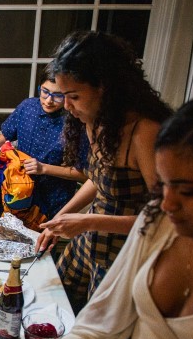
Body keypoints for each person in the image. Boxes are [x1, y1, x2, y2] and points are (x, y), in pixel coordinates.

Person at [17, 97, 193, 339]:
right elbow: (109, 303)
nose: (166, 204)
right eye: (161, 185)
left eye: (187, 191)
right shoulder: (157, 219)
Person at [35, 31, 172, 313]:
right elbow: (100, 181)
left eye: (73, 96)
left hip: (125, 254)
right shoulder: (95, 121)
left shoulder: (144, 132)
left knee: (96, 336)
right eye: (64, 96)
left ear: (105, 88)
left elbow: (163, 220)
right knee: (57, 311)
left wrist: (87, 222)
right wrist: (60, 218)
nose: (67, 106)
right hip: (90, 243)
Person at [0, 65, 89, 220]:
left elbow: (84, 174)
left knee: (44, 243)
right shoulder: (27, 107)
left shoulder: (76, 121)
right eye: (44, 91)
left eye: (58, 95)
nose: (49, 100)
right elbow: (7, 133)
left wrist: (44, 168)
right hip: (18, 194)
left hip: (52, 203)